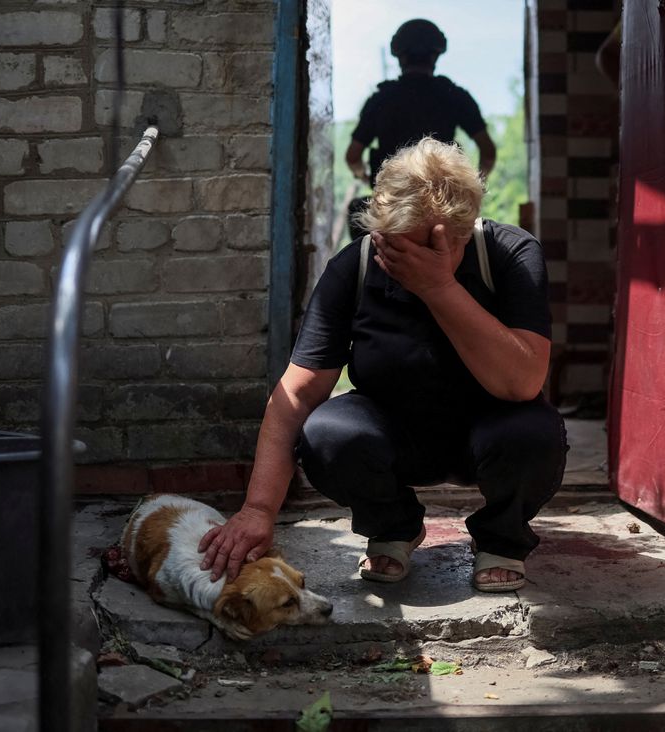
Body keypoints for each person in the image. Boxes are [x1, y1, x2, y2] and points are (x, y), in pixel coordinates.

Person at [200, 138, 567, 593]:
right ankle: (393, 525)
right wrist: (258, 509)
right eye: (392, 245)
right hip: (395, 434)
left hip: (490, 431)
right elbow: (295, 396)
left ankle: (501, 537)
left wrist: (439, 288)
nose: (400, 261)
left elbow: (521, 382)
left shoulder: (509, 255)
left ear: (461, 234)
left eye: (422, 248)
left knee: (535, 433)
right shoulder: (354, 266)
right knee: (328, 433)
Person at [345, 19, 497, 188]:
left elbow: (353, 156)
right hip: (443, 204)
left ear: (400, 57)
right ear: (435, 55)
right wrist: (473, 188)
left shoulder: (381, 98)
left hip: (393, 204)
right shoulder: (454, 95)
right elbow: (488, 153)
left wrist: (367, 178)